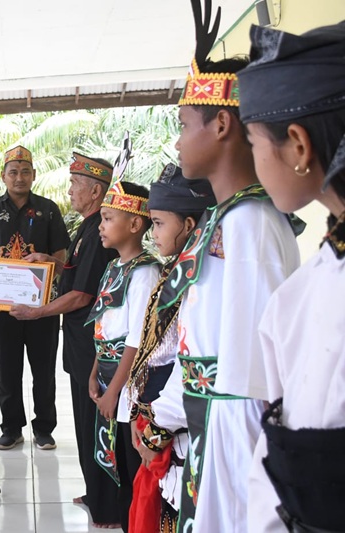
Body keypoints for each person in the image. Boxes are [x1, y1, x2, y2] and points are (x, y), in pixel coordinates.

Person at [161, 1, 301, 529]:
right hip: (210, 420)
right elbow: (204, 339)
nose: (176, 140)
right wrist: (169, 413)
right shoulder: (227, 218)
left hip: (236, 430)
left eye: (183, 123)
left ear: (221, 124)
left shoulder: (251, 223)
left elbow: (258, 372)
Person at [237, 21, 345, 532]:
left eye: (254, 143)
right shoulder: (315, 280)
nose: (254, 163)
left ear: (298, 146)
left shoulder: (316, 297)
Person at [13, 152, 120, 528]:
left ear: (94, 191)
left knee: (94, 420)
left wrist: (35, 312)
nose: (70, 190)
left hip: (90, 342)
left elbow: (81, 295)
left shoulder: (98, 233)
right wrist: (50, 260)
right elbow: (77, 273)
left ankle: (106, 504)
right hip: (78, 341)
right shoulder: (88, 227)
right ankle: (95, 491)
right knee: (83, 418)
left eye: (75, 184)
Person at [126, 164, 215, 533]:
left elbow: (188, 362)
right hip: (158, 415)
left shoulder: (199, 279)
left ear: (190, 227)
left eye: (159, 223)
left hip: (175, 423)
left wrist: (155, 429)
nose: (153, 232)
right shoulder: (174, 273)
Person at [85, 164, 160, 533]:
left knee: (131, 469)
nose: (101, 225)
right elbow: (103, 321)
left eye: (109, 217)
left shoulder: (145, 272)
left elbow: (137, 337)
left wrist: (114, 391)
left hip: (129, 385)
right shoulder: (114, 266)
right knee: (116, 466)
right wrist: (95, 371)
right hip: (110, 377)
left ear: (135, 225)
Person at [0, 146, 70, 451]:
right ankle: (11, 428)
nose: (19, 178)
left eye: (25, 172)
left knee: (43, 369)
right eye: (13, 172)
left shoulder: (48, 209)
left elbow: (60, 252)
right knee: (7, 369)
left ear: (34, 174)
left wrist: (49, 270)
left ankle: (44, 428)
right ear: (3, 176)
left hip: (42, 306)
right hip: (1, 306)